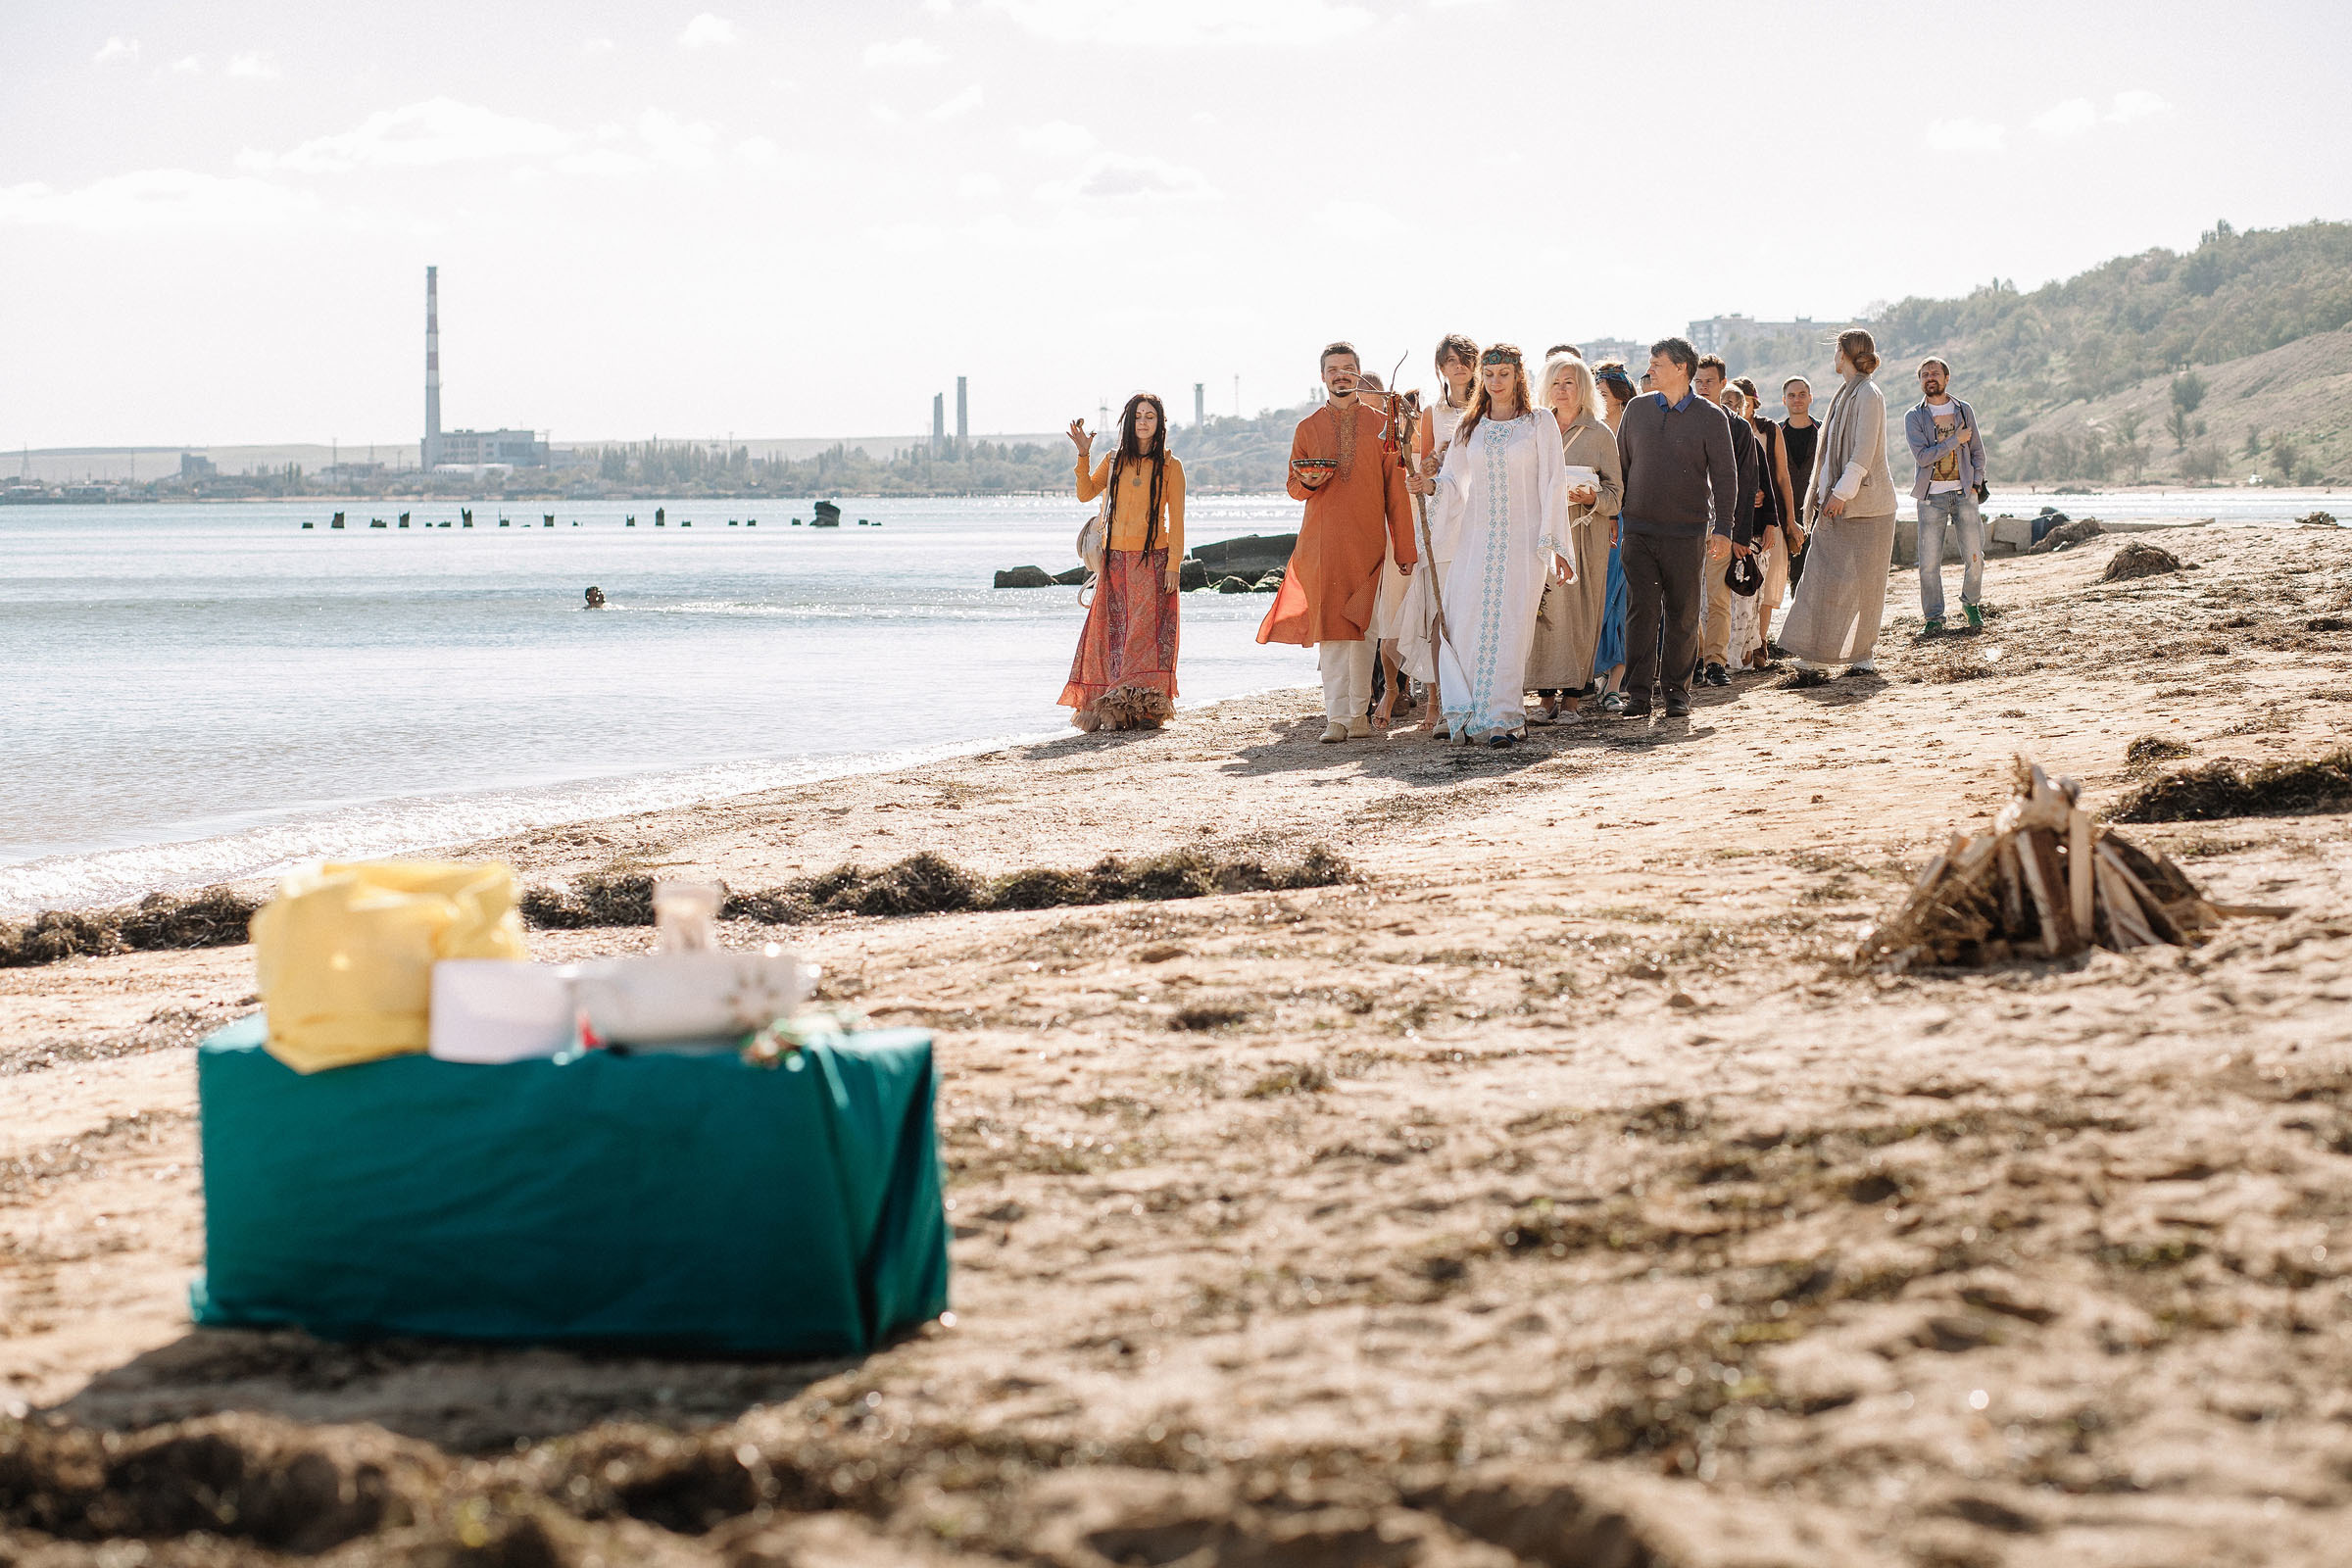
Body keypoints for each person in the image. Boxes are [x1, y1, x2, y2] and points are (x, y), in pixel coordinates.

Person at [1406, 344, 1569, 747]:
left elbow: (1555, 482)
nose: (1496, 383)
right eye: (1490, 375)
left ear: (1518, 377)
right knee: (1467, 623)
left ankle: (1504, 719)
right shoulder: (1468, 427)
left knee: (1511, 627)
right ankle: (1470, 713)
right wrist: (1427, 486)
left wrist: (1556, 546)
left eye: (1504, 375)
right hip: (1475, 542)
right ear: (1483, 377)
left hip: (1523, 544)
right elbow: (1453, 485)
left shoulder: (1539, 423)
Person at [1259, 342, 1417, 743]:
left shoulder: (1382, 425)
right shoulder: (1307, 427)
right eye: (1333, 369)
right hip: (1321, 544)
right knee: (1330, 632)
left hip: (1368, 544)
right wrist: (1308, 483)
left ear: (1359, 374)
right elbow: (1294, 486)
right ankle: (1335, 718)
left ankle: (1359, 715)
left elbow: (1396, 492)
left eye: (1348, 368)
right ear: (1323, 376)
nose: (1341, 374)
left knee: (1362, 630)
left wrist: (1405, 548)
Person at [1613, 336, 1740, 719]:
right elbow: (1621, 468)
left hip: (1687, 532)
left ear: (1681, 368)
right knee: (1641, 613)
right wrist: (1613, 519)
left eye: (1657, 363)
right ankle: (1637, 695)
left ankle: (1677, 695)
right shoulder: (1635, 410)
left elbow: (1726, 476)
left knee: (1683, 614)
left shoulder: (1711, 417)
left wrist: (1724, 528)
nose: (1650, 368)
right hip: (1638, 530)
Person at [1780, 328, 1899, 675]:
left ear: (1846, 353)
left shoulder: (1869, 394)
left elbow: (1863, 453)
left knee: (1866, 584)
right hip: (1837, 501)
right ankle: (1817, 651)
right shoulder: (1845, 393)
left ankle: (1863, 654)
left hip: (1869, 507)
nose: (1834, 355)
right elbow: (1831, 450)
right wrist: (1822, 491)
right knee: (1822, 575)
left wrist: (1840, 493)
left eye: (1837, 350)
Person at [1065, 393, 1186, 729]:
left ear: (1160, 422)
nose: (1143, 422)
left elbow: (1177, 520)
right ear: (1128, 422)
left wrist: (1174, 565)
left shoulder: (1171, 466)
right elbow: (1085, 492)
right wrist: (1083, 455)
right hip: (1115, 561)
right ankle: (1115, 706)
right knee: (1112, 634)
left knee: (1145, 634)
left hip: (1154, 559)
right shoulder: (1114, 461)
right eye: (1137, 416)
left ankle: (1144, 708)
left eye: (1150, 416)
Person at [1525, 355, 1621, 722]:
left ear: (1583, 387)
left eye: (1570, 382)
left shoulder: (1600, 434)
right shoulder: (1533, 429)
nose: (1562, 390)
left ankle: (1573, 702)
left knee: (1581, 613)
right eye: (1556, 382)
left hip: (1585, 534)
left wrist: (1591, 497)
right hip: (1544, 534)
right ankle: (1545, 701)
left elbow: (1616, 493)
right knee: (1543, 612)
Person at [1391, 334, 1479, 730]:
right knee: (1439, 611)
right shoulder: (1431, 411)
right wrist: (1436, 459)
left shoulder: (1491, 407)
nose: (1458, 366)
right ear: (1441, 368)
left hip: (1483, 511)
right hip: (1445, 517)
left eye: (1464, 359)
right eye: (1450, 360)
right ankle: (1439, 701)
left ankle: (1478, 694)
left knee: (1475, 608)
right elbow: (1425, 466)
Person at [1906, 356, 1989, 633]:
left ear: (1946, 378)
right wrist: (1954, 440)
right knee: (1929, 564)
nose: (1930, 377)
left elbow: (1978, 452)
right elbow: (1922, 457)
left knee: (1975, 557)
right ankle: (1933, 619)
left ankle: (1971, 605)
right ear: (1920, 381)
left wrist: (1976, 485)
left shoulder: (1964, 411)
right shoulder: (1914, 417)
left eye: (1935, 373)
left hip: (1965, 494)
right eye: (1925, 374)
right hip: (1931, 498)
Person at [1691, 355, 1759, 689]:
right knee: (1686, 599)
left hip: (1721, 524)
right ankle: (1695, 659)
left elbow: (1748, 483)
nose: (1702, 387)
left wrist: (1739, 533)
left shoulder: (1739, 426)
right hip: (1685, 523)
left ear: (1723, 384)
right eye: (1698, 381)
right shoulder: (1681, 419)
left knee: (1717, 597)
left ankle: (1715, 663)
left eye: (1709, 381)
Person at [1589, 362, 1638, 711]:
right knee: (1595, 602)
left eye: (1603, 394)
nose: (1597, 399)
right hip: (1594, 524)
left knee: (1621, 604)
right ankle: (1593, 674)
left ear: (1620, 397)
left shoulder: (1638, 429)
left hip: (1630, 527)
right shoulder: (1588, 431)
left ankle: (1615, 684)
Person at [1733, 376, 1788, 663]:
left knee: (1765, 583)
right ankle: (1738, 647)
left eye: (1742, 400)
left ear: (1752, 402)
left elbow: (1780, 477)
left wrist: (1785, 519)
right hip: (1736, 524)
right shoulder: (1723, 433)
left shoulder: (1766, 431)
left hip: (1766, 516)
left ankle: (1760, 641)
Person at [1776, 376, 1818, 600]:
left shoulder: (1823, 432)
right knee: (1794, 574)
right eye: (1792, 395)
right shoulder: (1776, 434)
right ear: (1784, 400)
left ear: (1811, 398)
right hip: (1787, 515)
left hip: (1820, 514)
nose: (1797, 399)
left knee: (1821, 574)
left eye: (1802, 394)